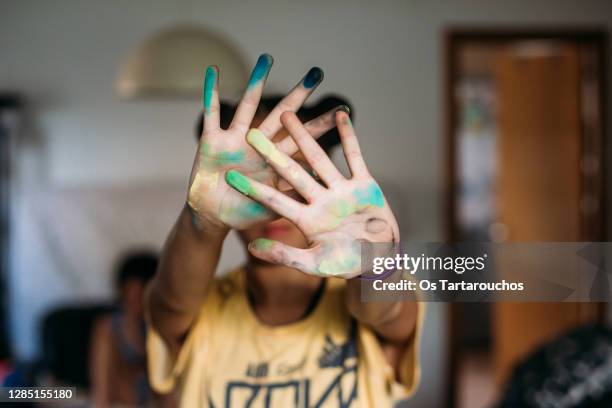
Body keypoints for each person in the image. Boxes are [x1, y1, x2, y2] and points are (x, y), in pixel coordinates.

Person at [145, 54, 422, 407]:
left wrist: (373, 266)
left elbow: (390, 313)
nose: (275, 200)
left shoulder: (370, 287)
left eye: (294, 174)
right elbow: (169, 304)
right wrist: (203, 222)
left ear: (325, 181)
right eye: (251, 180)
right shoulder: (204, 307)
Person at [90, 251, 157, 407]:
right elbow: (101, 389)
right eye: (131, 294)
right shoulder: (108, 328)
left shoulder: (161, 327)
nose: (135, 302)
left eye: (140, 295)